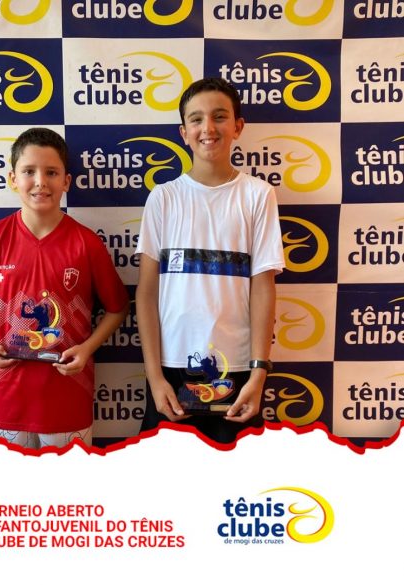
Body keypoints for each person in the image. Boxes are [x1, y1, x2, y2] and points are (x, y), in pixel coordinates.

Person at [0, 127, 129, 449]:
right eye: (29, 171)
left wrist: (87, 348)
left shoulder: (86, 243)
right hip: (6, 396)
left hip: (68, 398)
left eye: (51, 172)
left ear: (66, 181)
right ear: (12, 179)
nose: (40, 182)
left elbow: (118, 308)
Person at [135, 77, 285, 444]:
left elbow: (263, 287)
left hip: (238, 369)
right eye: (197, 119)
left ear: (238, 126)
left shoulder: (258, 195)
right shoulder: (163, 198)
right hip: (172, 369)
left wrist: (258, 372)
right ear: (184, 132)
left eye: (219, 117)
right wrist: (155, 378)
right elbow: (147, 293)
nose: (208, 128)